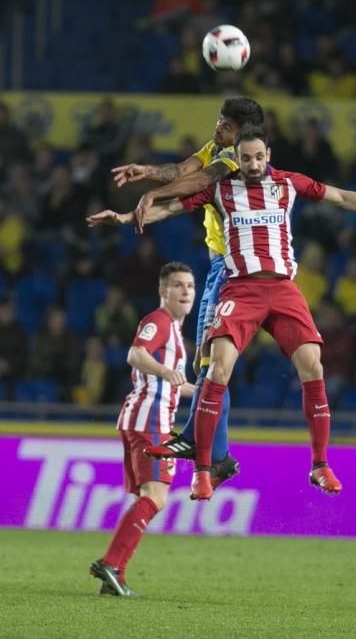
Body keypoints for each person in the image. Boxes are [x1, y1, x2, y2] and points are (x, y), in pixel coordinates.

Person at [96, 125, 356, 501]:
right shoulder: (221, 190)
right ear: (235, 160)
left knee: (313, 365)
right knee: (217, 368)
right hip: (242, 289)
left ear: (268, 155)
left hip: (284, 289)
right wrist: (127, 219)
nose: (253, 163)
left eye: (259, 156)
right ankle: (204, 471)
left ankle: (320, 465)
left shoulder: (288, 184)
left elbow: (341, 197)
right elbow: (172, 207)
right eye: (246, 158)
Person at [89, 98, 264, 486]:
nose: (218, 125)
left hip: (232, 268)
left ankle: (217, 458)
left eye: (226, 123)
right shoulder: (217, 150)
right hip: (230, 266)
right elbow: (186, 169)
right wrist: (148, 173)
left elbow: (200, 181)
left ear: (243, 133)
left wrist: (155, 194)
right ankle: (218, 457)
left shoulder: (236, 163)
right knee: (211, 369)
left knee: (210, 370)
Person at [90, 262, 196, 596]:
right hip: (149, 420)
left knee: (149, 497)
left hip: (149, 418)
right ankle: (111, 564)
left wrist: (201, 390)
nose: (185, 292)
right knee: (155, 497)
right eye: (177, 285)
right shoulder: (159, 321)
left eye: (190, 286)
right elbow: (135, 354)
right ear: (163, 291)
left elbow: (171, 381)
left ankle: (115, 575)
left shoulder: (175, 331)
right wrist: (167, 372)